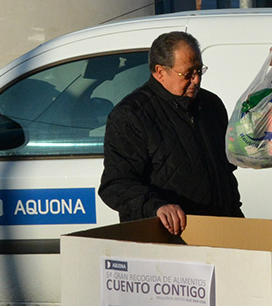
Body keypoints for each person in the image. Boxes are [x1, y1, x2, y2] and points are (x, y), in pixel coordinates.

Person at [100, 32, 242, 235]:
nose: (197, 79)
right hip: (167, 238)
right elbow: (115, 184)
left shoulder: (211, 105)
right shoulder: (131, 115)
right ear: (160, 72)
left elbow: (225, 171)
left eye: (199, 70)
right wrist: (156, 206)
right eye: (188, 73)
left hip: (220, 231)